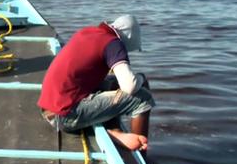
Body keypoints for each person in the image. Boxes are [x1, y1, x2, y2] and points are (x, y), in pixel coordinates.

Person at [38, 15, 155, 151]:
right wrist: (141, 78)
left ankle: (115, 131)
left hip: (50, 109)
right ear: (127, 39)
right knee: (143, 98)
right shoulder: (114, 43)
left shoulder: (89, 32)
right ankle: (141, 154)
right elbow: (129, 86)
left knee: (113, 83)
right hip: (66, 116)